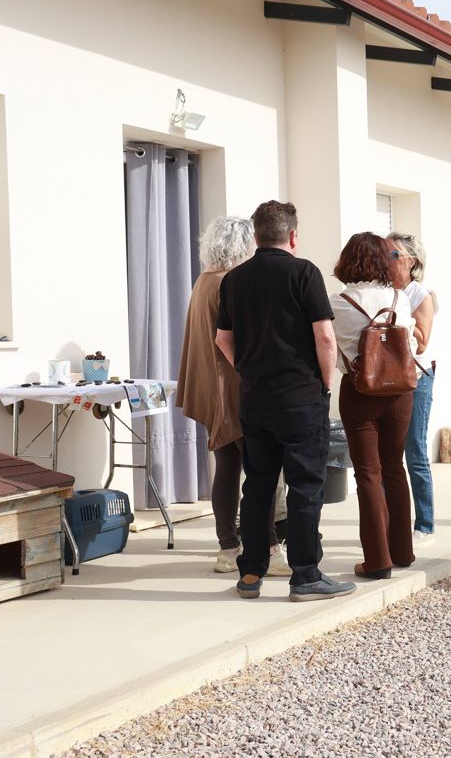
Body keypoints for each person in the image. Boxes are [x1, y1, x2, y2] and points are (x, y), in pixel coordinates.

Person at [215, 200, 355, 602]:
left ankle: (250, 574)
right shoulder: (304, 272)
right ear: (293, 235)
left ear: (256, 236)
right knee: (305, 486)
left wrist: (248, 368)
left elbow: (223, 339)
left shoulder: (234, 280)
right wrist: (325, 383)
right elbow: (325, 337)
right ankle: (306, 575)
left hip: (255, 398)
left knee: (257, 485)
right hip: (301, 397)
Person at [178, 215, 286, 576]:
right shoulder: (230, 283)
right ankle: (269, 548)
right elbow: (239, 341)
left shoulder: (204, 280)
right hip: (237, 387)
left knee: (227, 467)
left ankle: (228, 548)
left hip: (214, 387)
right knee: (262, 471)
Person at [332, 232, 417, 580]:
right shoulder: (400, 297)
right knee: (395, 468)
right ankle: (403, 551)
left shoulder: (339, 302)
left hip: (359, 391)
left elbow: (333, 348)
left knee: (368, 473)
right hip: (400, 392)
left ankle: (377, 561)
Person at [388, 231, 438, 545]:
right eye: (384, 254)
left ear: (412, 260)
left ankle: (425, 524)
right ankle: (393, 523)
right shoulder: (381, 291)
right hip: (389, 378)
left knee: (415, 451)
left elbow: (421, 342)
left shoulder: (420, 294)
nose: (386, 260)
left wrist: (392, 319)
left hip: (417, 378)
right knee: (388, 454)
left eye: (394, 255)